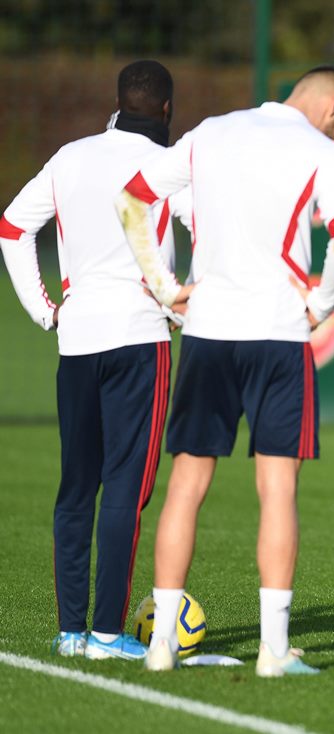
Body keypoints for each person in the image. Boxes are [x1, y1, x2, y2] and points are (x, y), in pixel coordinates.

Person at [115, 65, 334, 676]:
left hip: (208, 329)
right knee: (276, 490)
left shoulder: (211, 132)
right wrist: (320, 305)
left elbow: (133, 198)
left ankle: (160, 647)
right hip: (278, 333)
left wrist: (166, 287)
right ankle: (274, 652)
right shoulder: (324, 151)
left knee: (186, 486)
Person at [0, 60, 187, 661]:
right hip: (139, 337)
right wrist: (184, 308)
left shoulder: (70, 156)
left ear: (118, 100)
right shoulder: (169, 164)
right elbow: (206, 231)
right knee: (125, 489)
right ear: (165, 109)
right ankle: (109, 635)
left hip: (77, 337)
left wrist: (44, 309)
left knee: (76, 487)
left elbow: (11, 227)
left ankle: (71, 633)